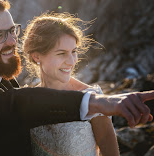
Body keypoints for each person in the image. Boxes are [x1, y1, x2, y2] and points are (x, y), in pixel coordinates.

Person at [0, 0, 154, 156]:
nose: (12, 41)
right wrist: (99, 102)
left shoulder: (2, 77)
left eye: (12, 30)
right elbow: (19, 103)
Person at [22, 13, 120, 155]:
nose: (71, 61)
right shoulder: (27, 100)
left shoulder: (93, 99)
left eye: (74, 52)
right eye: (61, 53)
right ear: (36, 56)